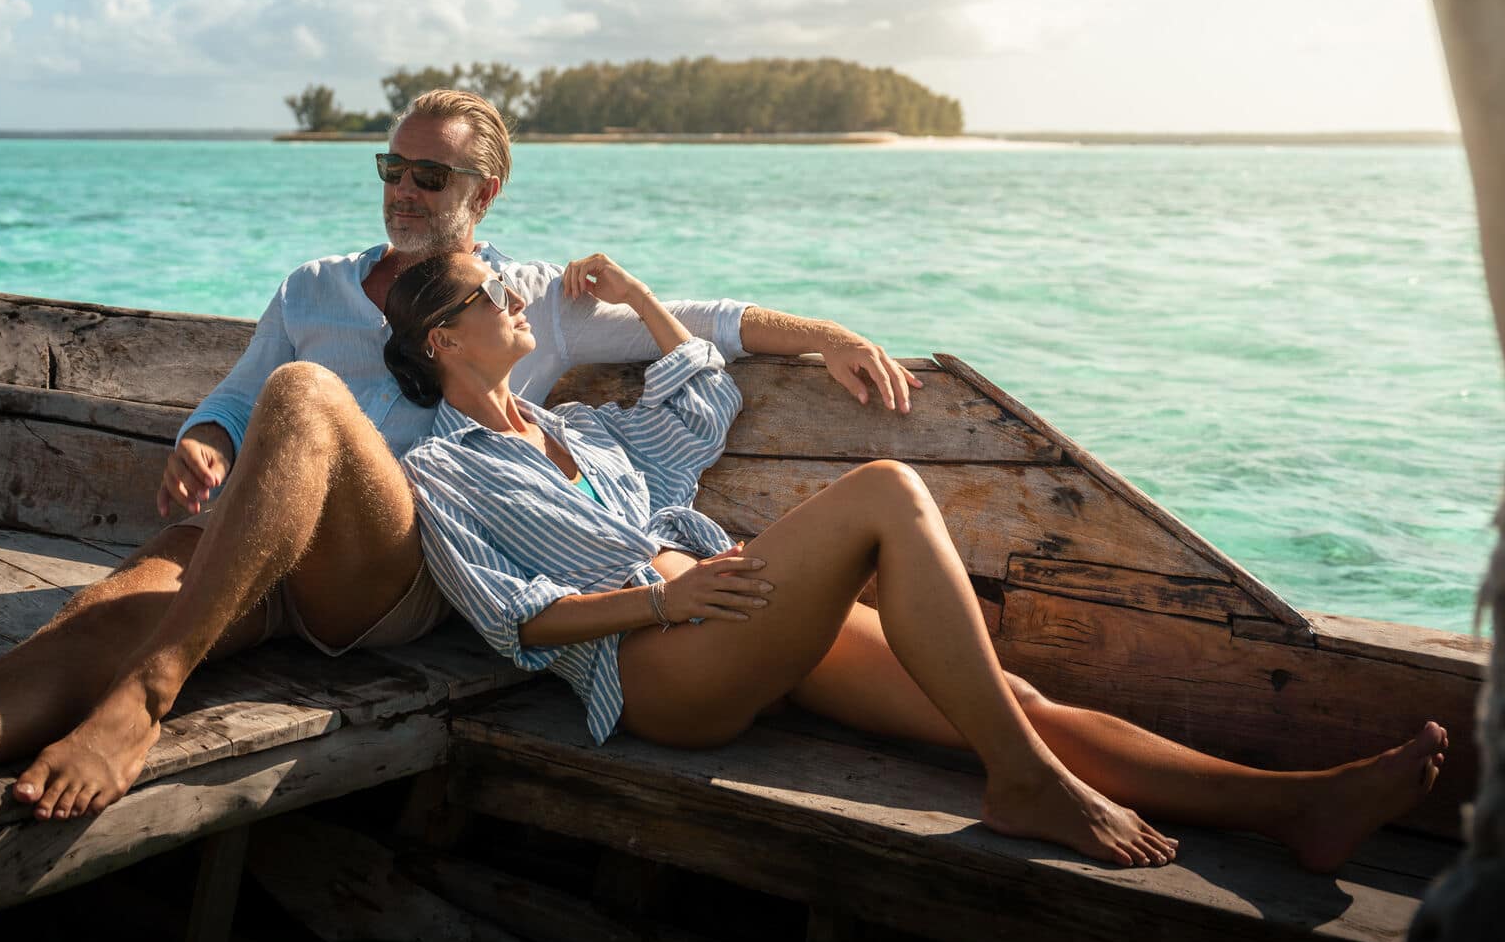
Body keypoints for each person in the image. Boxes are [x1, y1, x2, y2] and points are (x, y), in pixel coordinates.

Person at [0, 89, 921, 831]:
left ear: (482, 190)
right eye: (388, 167)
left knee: (309, 398)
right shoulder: (312, 284)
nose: (399, 188)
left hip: (404, 560)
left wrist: (829, 338)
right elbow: (232, 400)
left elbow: (710, 324)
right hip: (259, 535)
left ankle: (146, 701)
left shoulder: (527, 298)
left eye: (426, 173)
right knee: (113, 600)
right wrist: (199, 441)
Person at [385, 248, 1450, 870]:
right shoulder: (441, 470)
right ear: (442, 338)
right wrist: (666, 607)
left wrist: (629, 290)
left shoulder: (581, 429)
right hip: (656, 665)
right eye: (491, 294)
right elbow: (512, 619)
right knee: (888, 493)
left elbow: (698, 392)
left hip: (734, 610)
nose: (516, 300)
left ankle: (1291, 804)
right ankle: (1024, 785)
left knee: (1010, 691)